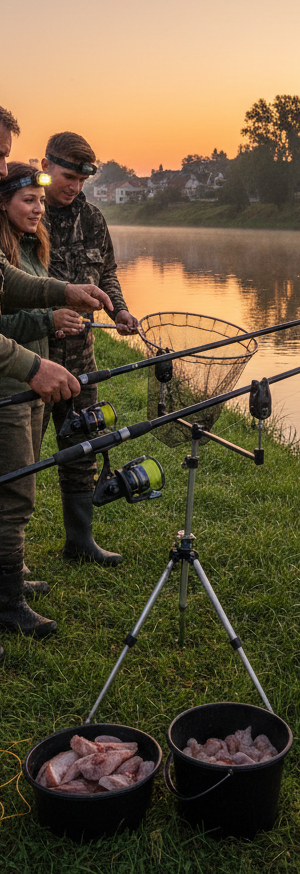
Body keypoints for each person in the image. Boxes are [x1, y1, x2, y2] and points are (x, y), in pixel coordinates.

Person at [0, 110, 115, 646]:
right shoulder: (15, 221)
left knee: (62, 455)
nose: (4, 167)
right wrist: (40, 344)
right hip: (23, 370)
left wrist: (79, 295)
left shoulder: (89, 219)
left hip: (61, 359)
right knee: (16, 482)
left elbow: (14, 282)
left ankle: (62, 549)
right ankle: (7, 597)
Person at [41, 130, 138, 566]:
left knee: (83, 444)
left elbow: (109, 272)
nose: (74, 187)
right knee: (18, 452)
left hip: (81, 357)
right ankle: (12, 558)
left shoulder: (94, 218)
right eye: (67, 176)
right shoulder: (21, 212)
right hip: (33, 355)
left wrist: (119, 310)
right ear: (46, 166)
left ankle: (80, 542)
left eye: (81, 180)